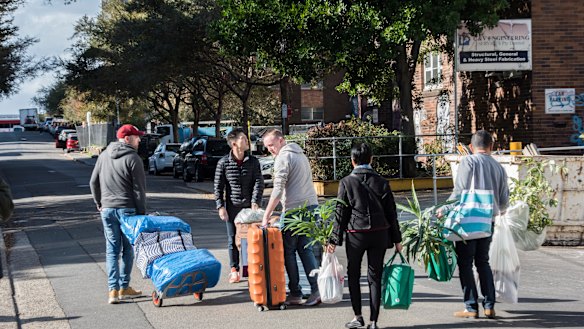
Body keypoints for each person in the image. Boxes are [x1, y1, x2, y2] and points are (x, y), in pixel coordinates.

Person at [327, 142, 402, 329]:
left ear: (352, 161)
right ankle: (374, 321)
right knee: (375, 276)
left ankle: (357, 316)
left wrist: (333, 240)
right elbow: (392, 214)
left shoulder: (346, 182)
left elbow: (340, 214)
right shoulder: (382, 182)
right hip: (379, 233)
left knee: (353, 274)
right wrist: (397, 239)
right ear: (372, 160)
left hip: (356, 234)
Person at [449, 130, 509, 319]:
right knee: (482, 261)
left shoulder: (468, 161)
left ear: (471, 147)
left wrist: (444, 209)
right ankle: (489, 305)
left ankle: (471, 307)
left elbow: (460, 191)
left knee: (465, 263)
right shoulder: (498, 167)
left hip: (468, 220)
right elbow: (504, 201)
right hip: (487, 221)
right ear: (491, 147)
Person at [261, 128, 321, 306]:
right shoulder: (300, 153)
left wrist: (266, 215)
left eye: (271, 145)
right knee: (306, 250)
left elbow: (278, 189)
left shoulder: (283, 157)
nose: (270, 149)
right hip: (311, 207)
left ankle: (295, 292)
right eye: (267, 146)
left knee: (288, 252)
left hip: (294, 210)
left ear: (281, 140)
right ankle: (316, 289)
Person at [90, 124, 146, 304]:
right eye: (137, 137)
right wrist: (141, 213)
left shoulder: (104, 155)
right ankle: (124, 287)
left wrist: (99, 202)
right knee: (128, 249)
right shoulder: (133, 158)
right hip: (127, 209)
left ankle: (112, 291)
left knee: (111, 251)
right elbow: (139, 190)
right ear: (127, 138)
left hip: (107, 209)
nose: (139, 140)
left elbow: (93, 182)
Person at [214, 128, 264, 283]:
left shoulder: (253, 161)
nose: (247, 140)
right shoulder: (223, 163)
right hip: (232, 206)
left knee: (252, 239)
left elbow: (258, 182)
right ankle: (234, 269)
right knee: (232, 239)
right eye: (243, 138)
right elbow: (218, 186)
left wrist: (255, 201)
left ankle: (251, 269)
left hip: (250, 207)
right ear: (234, 143)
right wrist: (220, 207)